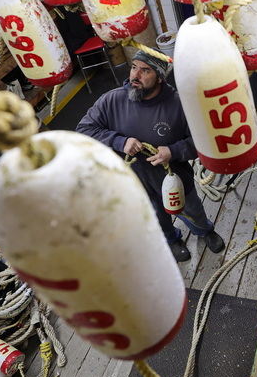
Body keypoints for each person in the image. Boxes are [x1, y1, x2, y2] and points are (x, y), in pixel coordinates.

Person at [76, 48, 226, 262]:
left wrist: (173, 152)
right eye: (134, 67)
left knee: (191, 207)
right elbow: (85, 129)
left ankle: (204, 231)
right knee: (156, 215)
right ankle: (172, 239)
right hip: (136, 182)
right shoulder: (112, 101)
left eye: (145, 71)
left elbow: (203, 141)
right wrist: (121, 141)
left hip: (175, 177)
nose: (135, 76)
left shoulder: (179, 104)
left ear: (159, 77)